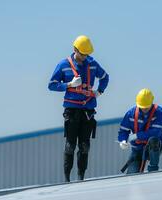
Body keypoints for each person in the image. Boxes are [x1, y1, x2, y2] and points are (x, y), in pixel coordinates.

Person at [48, 35, 109, 182]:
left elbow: (105, 77)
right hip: (71, 110)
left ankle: (81, 177)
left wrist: (99, 91)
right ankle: (67, 178)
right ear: (75, 49)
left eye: (87, 54)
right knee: (70, 145)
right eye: (82, 54)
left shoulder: (93, 64)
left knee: (84, 146)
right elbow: (52, 85)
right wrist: (69, 85)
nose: (85, 57)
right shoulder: (63, 64)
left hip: (87, 110)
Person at [117, 88, 162, 174]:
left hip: (153, 146)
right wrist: (123, 140)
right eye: (142, 107)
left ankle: (153, 169)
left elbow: (156, 132)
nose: (144, 110)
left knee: (153, 141)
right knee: (132, 176)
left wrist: (136, 136)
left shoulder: (159, 112)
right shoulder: (130, 114)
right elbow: (123, 131)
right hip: (137, 148)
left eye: (147, 107)